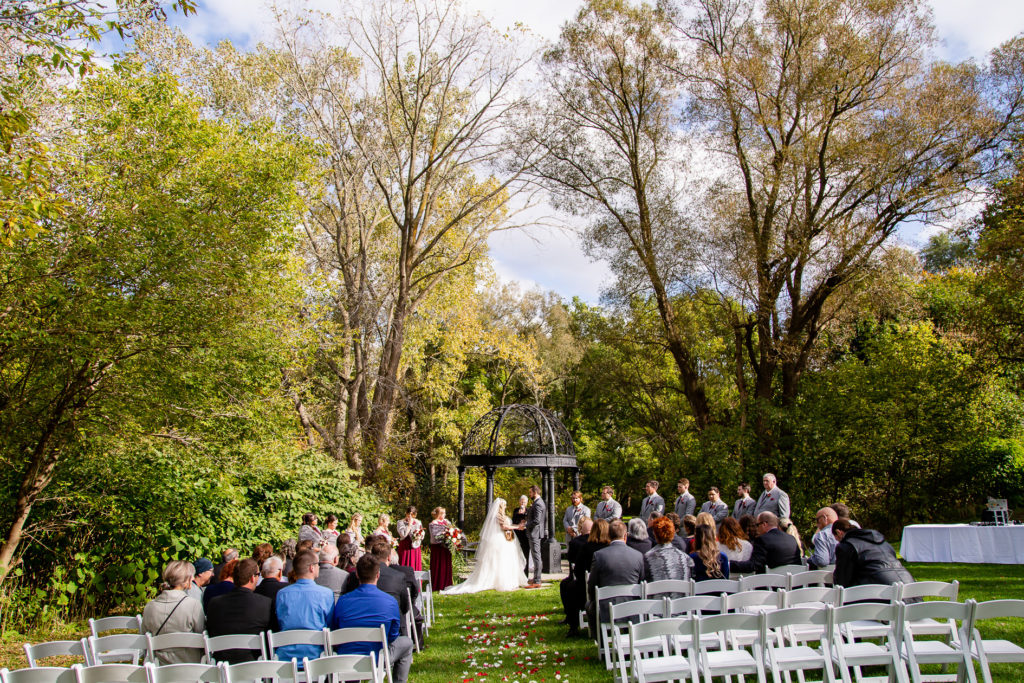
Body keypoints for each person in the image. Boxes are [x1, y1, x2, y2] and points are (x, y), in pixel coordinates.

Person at [332, 554, 414, 683]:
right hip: (377, 657)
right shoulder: (390, 602)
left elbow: (335, 629)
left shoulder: (342, 601)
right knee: (407, 643)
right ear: (378, 575)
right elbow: (393, 635)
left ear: (357, 574)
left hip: (346, 657)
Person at [442, 498, 527, 594]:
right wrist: (517, 527)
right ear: (500, 506)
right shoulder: (497, 516)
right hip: (499, 540)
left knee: (504, 560)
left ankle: (507, 580)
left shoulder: (502, 515)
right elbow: (504, 527)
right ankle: (500, 582)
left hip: (506, 539)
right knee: (499, 560)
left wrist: (518, 524)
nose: (505, 506)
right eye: (504, 505)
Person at [205, 559, 273, 664]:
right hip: (254, 666)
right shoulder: (265, 603)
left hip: (222, 665)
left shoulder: (214, 604)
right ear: (252, 577)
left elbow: (210, 632)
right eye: (258, 574)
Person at [274, 550, 334, 663]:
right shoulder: (325, 594)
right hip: (316, 657)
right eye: (318, 564)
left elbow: (281, 622)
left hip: (285, 657)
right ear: (312, 567)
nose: (319, 567)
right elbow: (329, 627)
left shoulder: (282, 594)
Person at [586, 520, 644, 636]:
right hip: (632, 608)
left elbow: (591, 586)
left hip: (606, 609)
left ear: (608, 535)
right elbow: (642, 582)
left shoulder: (599, 555)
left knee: (589, 606)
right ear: (625, 535)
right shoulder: (638, 555)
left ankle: (601, 642)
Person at [142, 561, 205, 664]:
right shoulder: (193, 605)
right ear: (186, 581)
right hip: (190, 666)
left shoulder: (149, 607)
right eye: (192, 576)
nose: (193, 579)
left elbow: (145, 638)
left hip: (160, 668)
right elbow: (201, 638)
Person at [831, 520, 914, 588]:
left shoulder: (846, 546)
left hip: (879, 591)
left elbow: (841, 581)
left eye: (836, 538)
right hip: (908, 584)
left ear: (839, 532)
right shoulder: (885, 544)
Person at [730, 512, 803, 574]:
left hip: (770, 586)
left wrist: (728, 564)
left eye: (757, 525)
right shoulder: (791, 538)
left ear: (764, 524)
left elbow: (753, 565)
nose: (756, 528)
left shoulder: (762, 540)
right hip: (793, 584)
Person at [560, 517, 593, 637]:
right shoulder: (601, 543)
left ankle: (572, 623)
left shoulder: (576, 542)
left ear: (581, 530)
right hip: (599, 584)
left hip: (582, 582)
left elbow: (573, 563)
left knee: (567, 586)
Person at [644, 517, 694, 586]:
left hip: (656, 595)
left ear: (654, 534)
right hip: (681, 595)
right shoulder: (685, 558)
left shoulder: (647, 558)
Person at [428, 507, 454, 591]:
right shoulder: (433, 523)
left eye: (445, 513)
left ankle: (447, 584)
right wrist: (444, 533)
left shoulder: (447, 522)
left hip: (446, 547)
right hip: (437, 547)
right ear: (439, 514)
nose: (444, 515)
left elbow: (452, 529)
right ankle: (438, 585)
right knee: (438, 565)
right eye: (443, 513)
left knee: (446, 565)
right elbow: (435, 535)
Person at [525, 485, 547, 585]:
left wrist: (526, 525)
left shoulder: (538, 503)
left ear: (535, 492)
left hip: (535, 533)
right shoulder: (537, 502)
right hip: (534, 532)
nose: (529, 494)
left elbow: (537, 520)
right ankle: (535, 578)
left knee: (536, 556)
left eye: (530, 492)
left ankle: (537, 580)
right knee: (535, 556)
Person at [396, 506, 424, 571]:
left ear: (415, 514)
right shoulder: (400, 522)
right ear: (406, 513)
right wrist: (409, 525)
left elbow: (421, 532)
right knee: (404, 565)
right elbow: (403, 535)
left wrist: (419, 536)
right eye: (409, 514)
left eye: (412, 515)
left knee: (415, 566)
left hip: (415, 547)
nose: (410, 516)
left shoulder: (418, 522)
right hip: (405, 546)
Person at [511, 495, 531, 569]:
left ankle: (526, 573)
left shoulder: (529, 510)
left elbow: (530, 521)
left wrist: (524, 517)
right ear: (519, 502)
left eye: (524, 502)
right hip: (517, 534)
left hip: (525, 535)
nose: (522, 503)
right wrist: (518, 515)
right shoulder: (516, 510)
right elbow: (513, 521)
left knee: (526, 554)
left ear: (527, 503)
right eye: (521, 501)